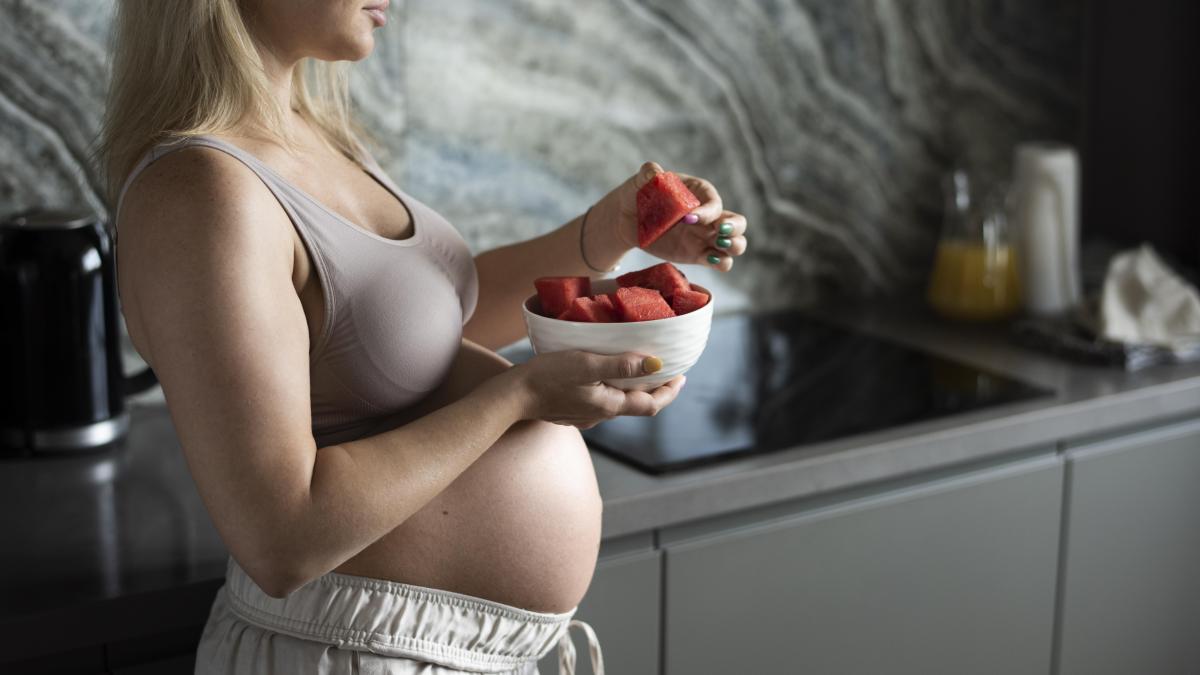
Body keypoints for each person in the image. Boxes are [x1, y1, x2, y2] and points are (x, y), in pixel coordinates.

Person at [97, 1, 749, 673]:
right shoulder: (200, 192)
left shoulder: (311, 135)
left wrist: (613, 230)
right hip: (350, 652)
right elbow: (280, 538)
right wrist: (520, 396)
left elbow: (418, 333)